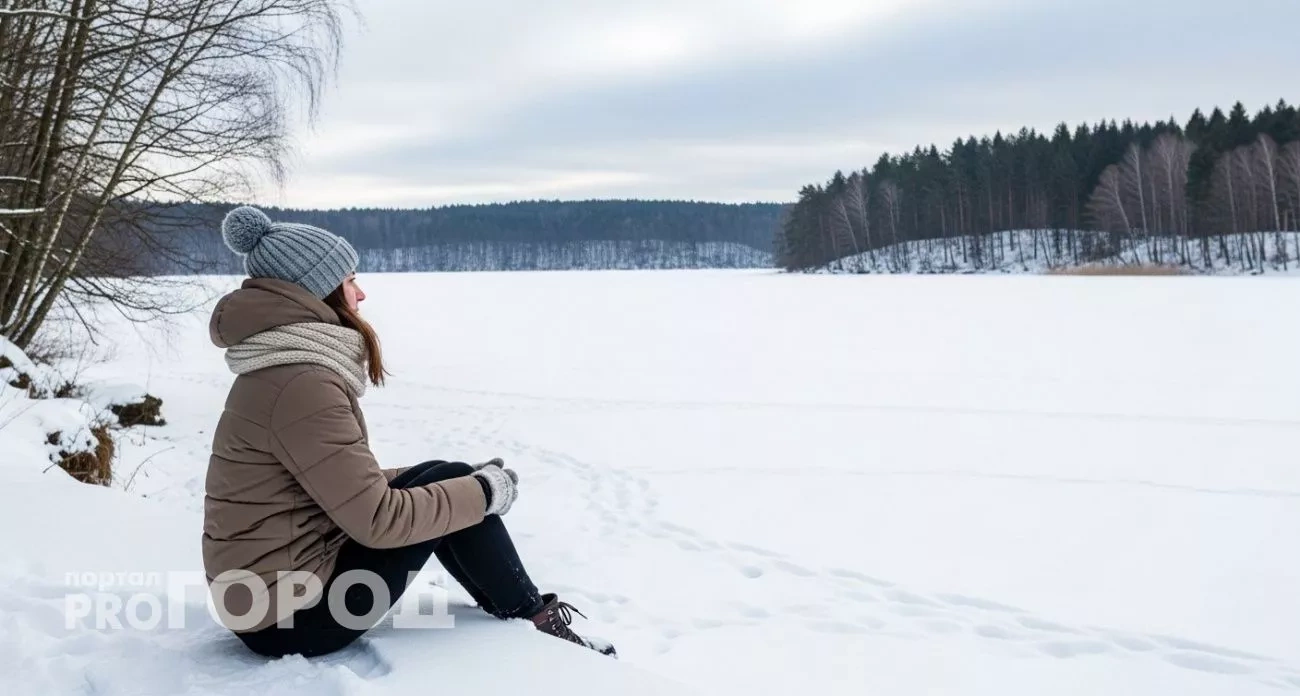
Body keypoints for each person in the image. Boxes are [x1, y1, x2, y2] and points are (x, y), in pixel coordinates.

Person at [202, 206, 614, 659]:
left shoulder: (283, 371)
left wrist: (460, 484)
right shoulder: (302, 384)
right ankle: (535, 624)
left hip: (269, 602)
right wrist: (482, 494)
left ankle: (522, 615)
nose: (360, 293)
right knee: (454, 486)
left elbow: (332, 483)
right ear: (320, 292)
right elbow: (380, 521)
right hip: (294, 620)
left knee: (444, 475)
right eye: (350, 280)